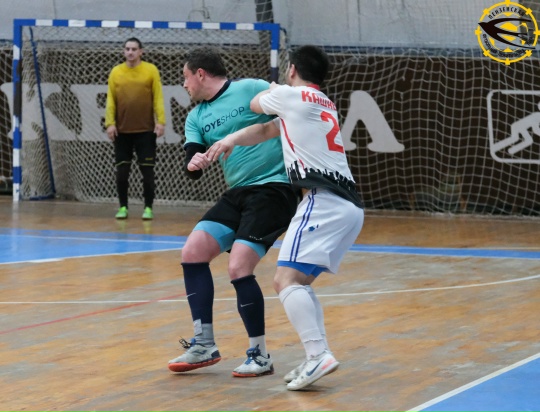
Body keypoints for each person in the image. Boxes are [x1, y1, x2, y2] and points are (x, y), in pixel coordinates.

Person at [206, 45, 364, 390]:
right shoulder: (322, 103)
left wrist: (273, 87)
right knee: (299, 282)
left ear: (291, 69)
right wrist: (231, 139)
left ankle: (318, 354)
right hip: (349, 207)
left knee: (284, 280)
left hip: (322, 200)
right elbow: (266, 131)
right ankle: (315, 356)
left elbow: (254, 104)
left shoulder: (292, 96)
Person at [167, 47, 298, 377]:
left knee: (238, 265)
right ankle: (204, 344)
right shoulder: (196, 117)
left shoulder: (250, 88)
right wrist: (194, 163)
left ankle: (260, 355)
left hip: (274, 189)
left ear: (200, 74)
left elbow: (292, 107)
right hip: (237, 192)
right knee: (193, 252)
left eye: (185, 77)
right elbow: (192, 160)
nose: (184, 85)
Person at [105, 37, 165, 220]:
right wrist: (110, 123)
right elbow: (110, 99)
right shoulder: (116, 72)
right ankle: (123, 207)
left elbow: (158, 97)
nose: (130, 52)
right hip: (122, 132)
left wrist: (161, 121)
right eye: (127, 49)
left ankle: (148, 208)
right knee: (122, 173)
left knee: (147, 172)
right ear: (124, 51)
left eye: (133, 49)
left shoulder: (150, 70)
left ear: (141, 52)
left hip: (145, 132)